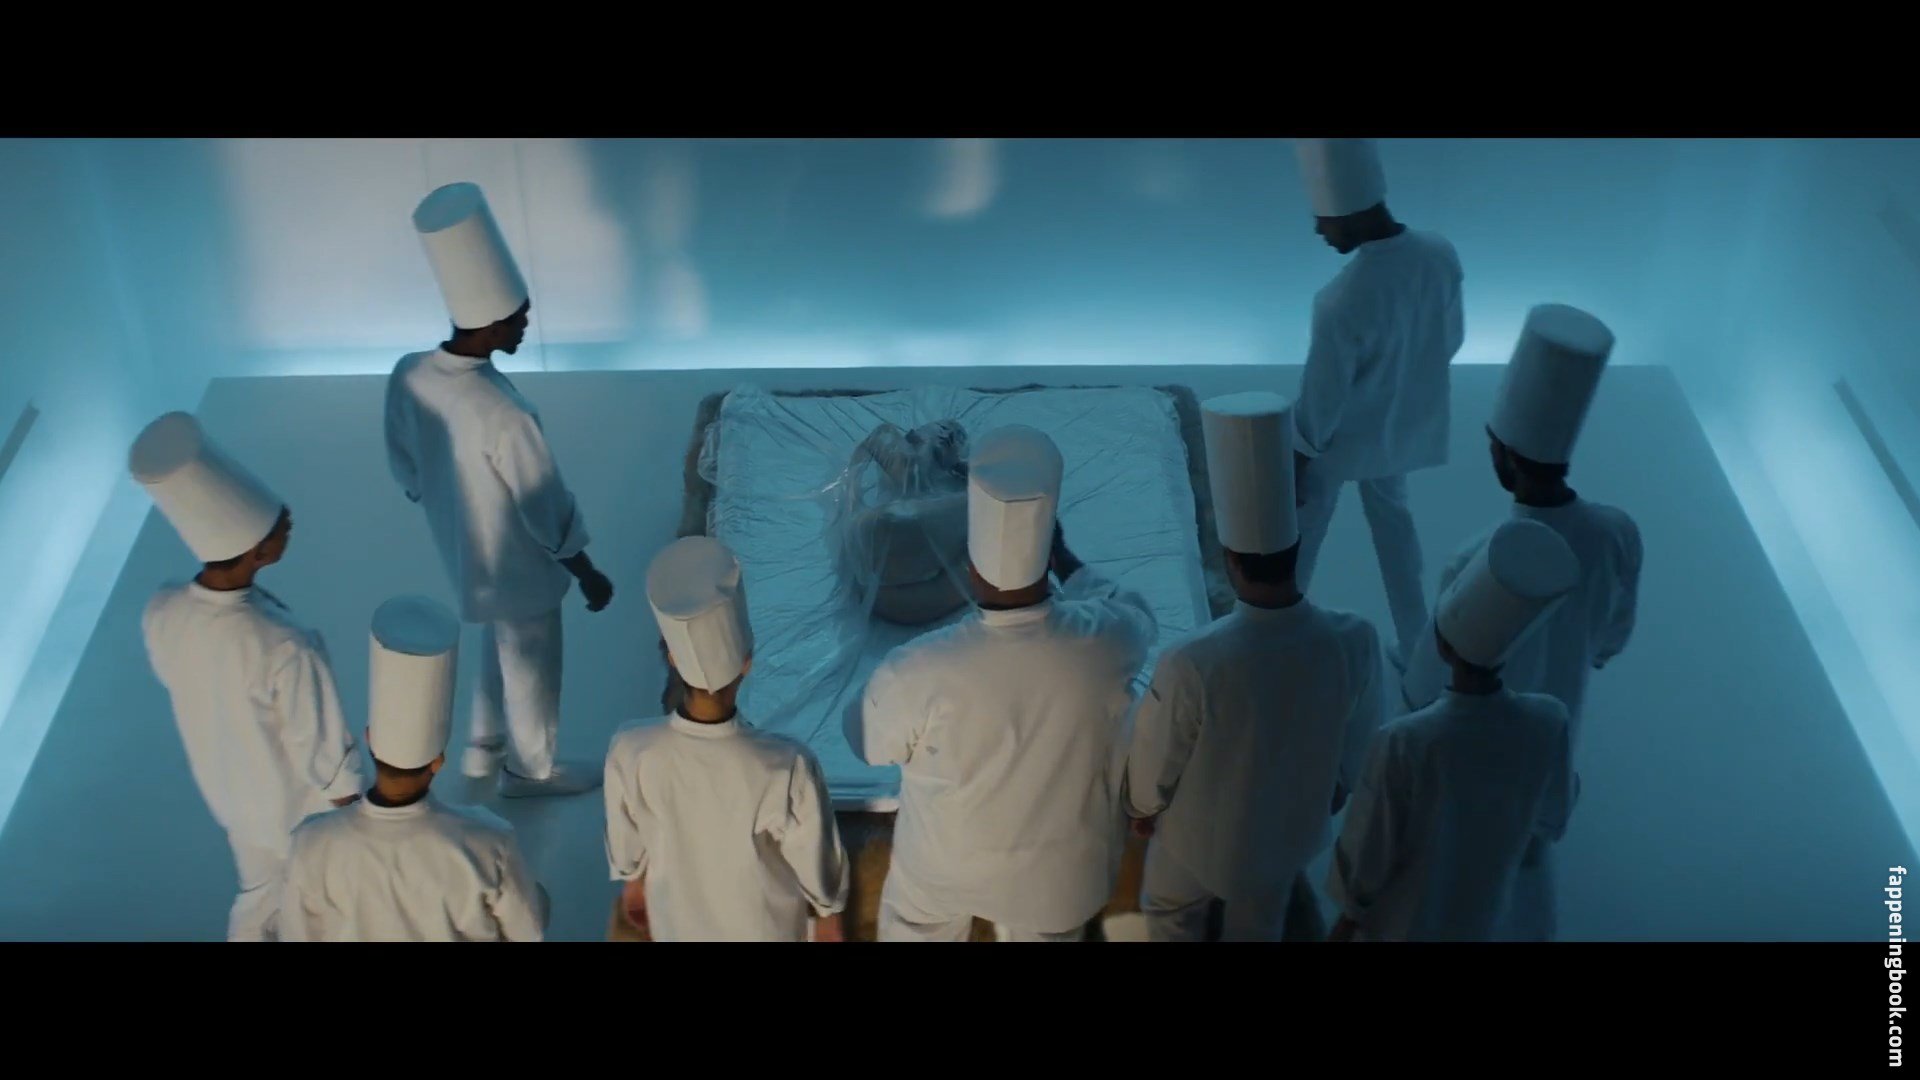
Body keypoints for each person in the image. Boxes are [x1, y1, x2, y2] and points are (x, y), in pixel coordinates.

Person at [846, 425, 1158, 942]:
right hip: (1064, 879)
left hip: (945, 869)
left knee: (916, 919)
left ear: (969, 568)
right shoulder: (1109, 640)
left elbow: (867, 743)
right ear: (1049, 558)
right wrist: (1067, 560)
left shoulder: (918, 668)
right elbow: (1137, 613)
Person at [1125, 392, 1385, 941]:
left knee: (1169, 912)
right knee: (1260, 925)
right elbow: (1358, 756)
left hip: (1196, 841)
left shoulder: (1194, 660)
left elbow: (1156, 758)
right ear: (1296, 547)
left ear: (1230, 559)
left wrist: (1144, 805)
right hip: (1289, 839)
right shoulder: (1355, 640)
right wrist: (1331, 788)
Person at [387, 181, 614, 798]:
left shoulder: (410, 374)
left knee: (496, 639)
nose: (525, 326)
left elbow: (404, 463)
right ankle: (530, 770)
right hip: (518, 563)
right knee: (531, 662)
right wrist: (587, 571)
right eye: (519, 318)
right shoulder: (505, 414)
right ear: (489, 324)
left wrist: (440, 504)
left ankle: (482, 746)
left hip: (463, 553)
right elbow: (545, 507)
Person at [131, 412, 363, 942]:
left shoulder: (163, 608)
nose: (289, 519)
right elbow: (322, 749)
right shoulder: (284, 643)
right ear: (257, 550)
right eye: (280, 521)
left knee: (259, 895)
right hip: (298, 809)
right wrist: (355, 811)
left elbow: (179, 678)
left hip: (231, 795)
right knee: (326, 912)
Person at [1400, 306, 1641, 765]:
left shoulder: (1480, 557)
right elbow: (1610, 642)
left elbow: (1424, 687)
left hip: (1476, 764)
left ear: (1504, 453)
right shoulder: (1617, 533)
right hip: (1554, 763)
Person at [1326, 519, 1579, 942]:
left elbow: (1366, 858)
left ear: (1441, 645)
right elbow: (1553, 818)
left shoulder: (1405, 741)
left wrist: (1346, 921)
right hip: (1488, 922)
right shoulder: (1548, 722)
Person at [605, 536, 850, 942]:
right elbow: (814, 855)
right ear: (747, 664)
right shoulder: (785, 763)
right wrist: (828, 912)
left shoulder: (631, 748)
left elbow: (626, 836)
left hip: (677, 927)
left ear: (672, 659)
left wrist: (633, 881)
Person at [1289, 138, 1466, 670]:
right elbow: (1451, 339)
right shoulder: (1440, 254)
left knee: (1301, 537)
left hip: (1337, 445)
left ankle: (1276, 636)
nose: (1319, 231)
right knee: (1397, 536)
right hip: (1398, 434)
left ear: (1350, 211)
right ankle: (1417, 650)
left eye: (1323, 218)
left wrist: (1297, 458)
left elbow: (1320, 404)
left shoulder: (1340, 301)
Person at [280, 595, 550, 942]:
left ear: (369, 739)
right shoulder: (490, 840)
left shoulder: (310, 843)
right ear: (438, 761)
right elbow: (527, 932)